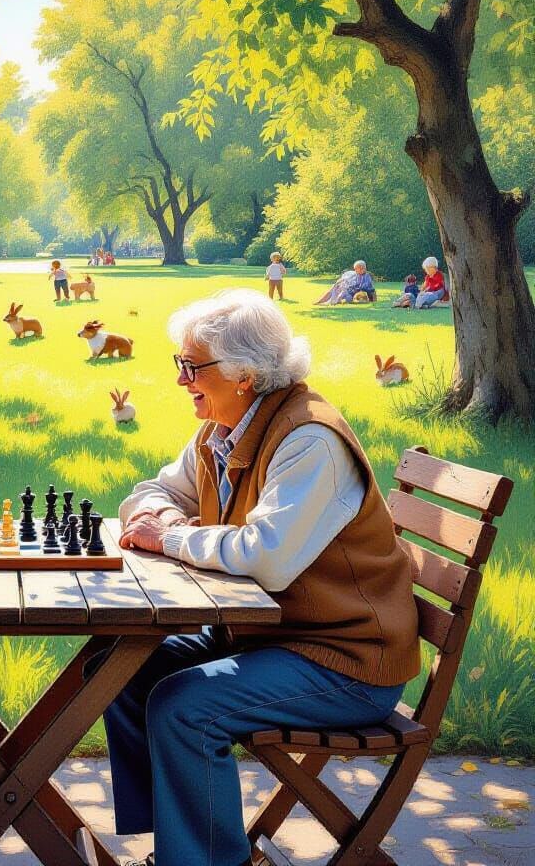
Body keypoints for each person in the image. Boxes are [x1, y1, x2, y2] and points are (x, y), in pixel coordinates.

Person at [104, 289, 420, 866]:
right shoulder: (222, 430)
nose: (179, 380)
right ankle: (179, 845)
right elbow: (147, 495)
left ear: (243, 374)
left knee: (182, 703)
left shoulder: (309, 440)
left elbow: (267, 556)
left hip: (345, 660)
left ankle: (203, 860)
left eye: (189, 366)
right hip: (269, 637)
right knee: (118, 664)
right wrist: (163, 515)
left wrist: (170, 535)